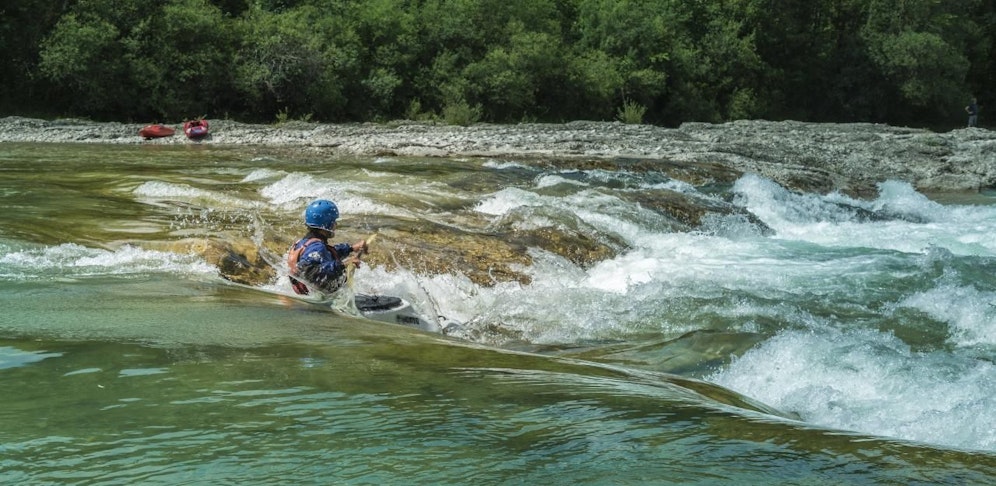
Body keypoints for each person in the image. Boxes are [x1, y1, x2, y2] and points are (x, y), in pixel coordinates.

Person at [287, 199, 368, 295]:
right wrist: (343, 264)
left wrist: (351, 248)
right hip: (318, 298)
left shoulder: (304, 242)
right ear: (327, 224)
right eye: (334, 221)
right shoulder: (317, 247)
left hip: (306, 293)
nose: (336, 225)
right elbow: (308, 271)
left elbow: (326, 255)